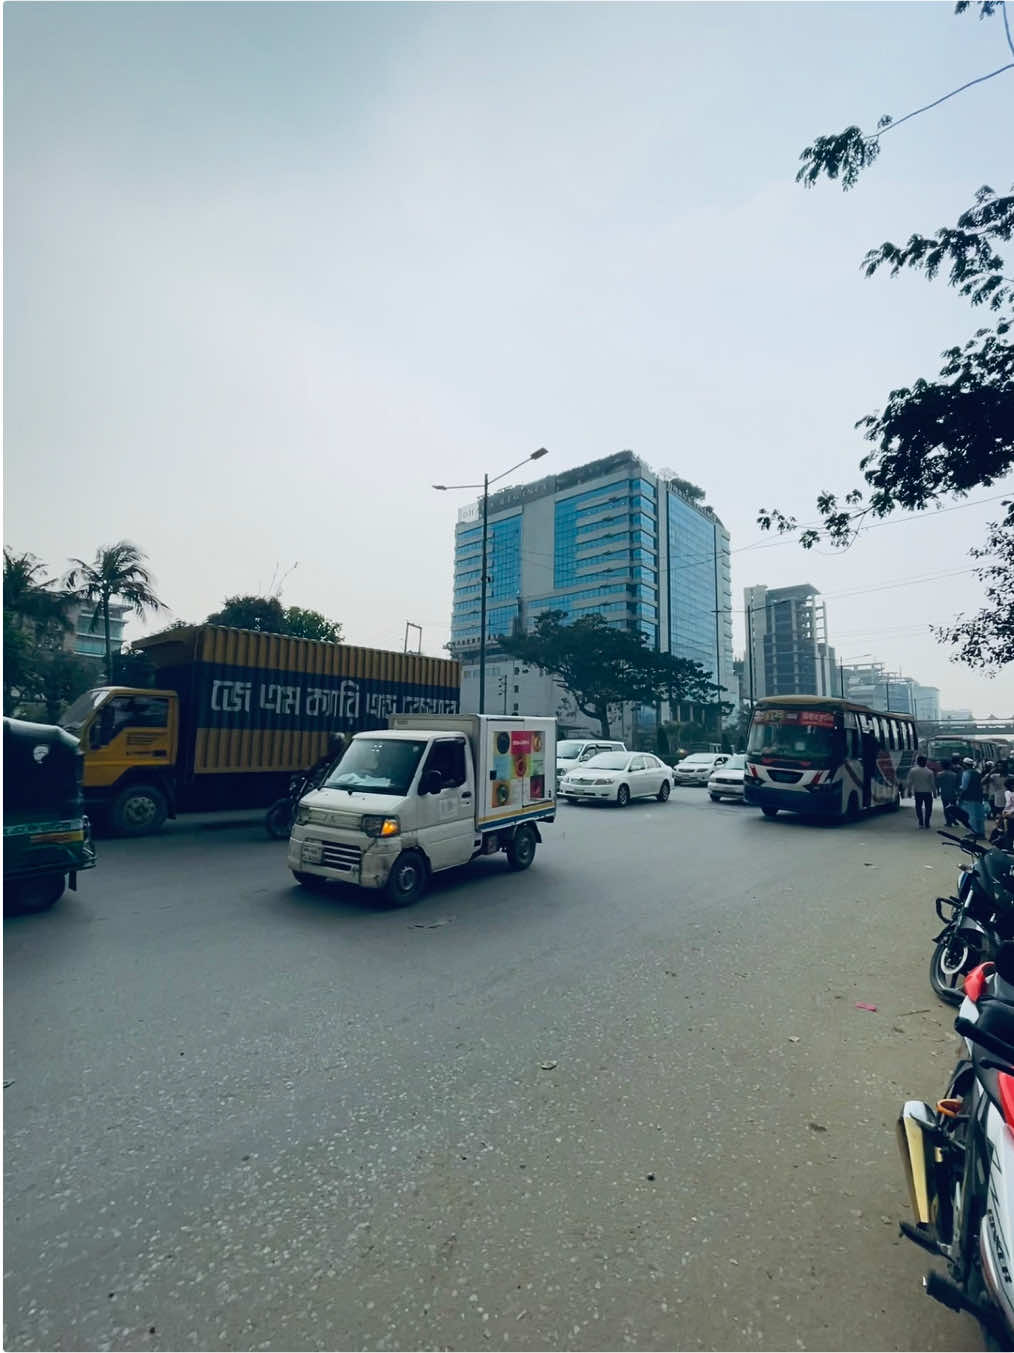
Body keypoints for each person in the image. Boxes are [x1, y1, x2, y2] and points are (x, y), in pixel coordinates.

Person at [906, 754, 937, 829]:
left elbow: (910, 782)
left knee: (918, 808)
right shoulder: (930, 772)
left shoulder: (913, 771)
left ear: (917, 762)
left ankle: (920, 822)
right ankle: (927, 822)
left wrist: (909, 791)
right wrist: (935, 793)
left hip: (918, 792)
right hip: (927, 793)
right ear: (925, 762)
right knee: (928, 808)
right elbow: (932, 784)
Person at [959, 757, 986, 838]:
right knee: (979, 815)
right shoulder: (977, 772)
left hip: (969, 797)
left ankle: (973, 832)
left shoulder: (966, 773)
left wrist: (959, 794)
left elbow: (964, 787)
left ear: (964, 765)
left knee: (971, 815)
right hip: (978, 796)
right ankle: (981, 832)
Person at [936, 760, 961, 827]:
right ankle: (954, 819)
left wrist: (937, 792)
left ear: (942, 766)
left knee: (946, 807)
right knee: (954, 807)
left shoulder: (939, 774)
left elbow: (938, 784)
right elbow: (957, 785)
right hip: (953, 793)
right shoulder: (954, 775)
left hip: (944, 793)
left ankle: (948, 822)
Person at [1003, 777, 1014, 852]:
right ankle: (1008, 848)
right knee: (1009, 833)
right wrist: (1005, 811)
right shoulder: (1007, 793)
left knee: (1009, 833)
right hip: (1009, 815)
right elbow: (1008, 804)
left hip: (1011, 814)